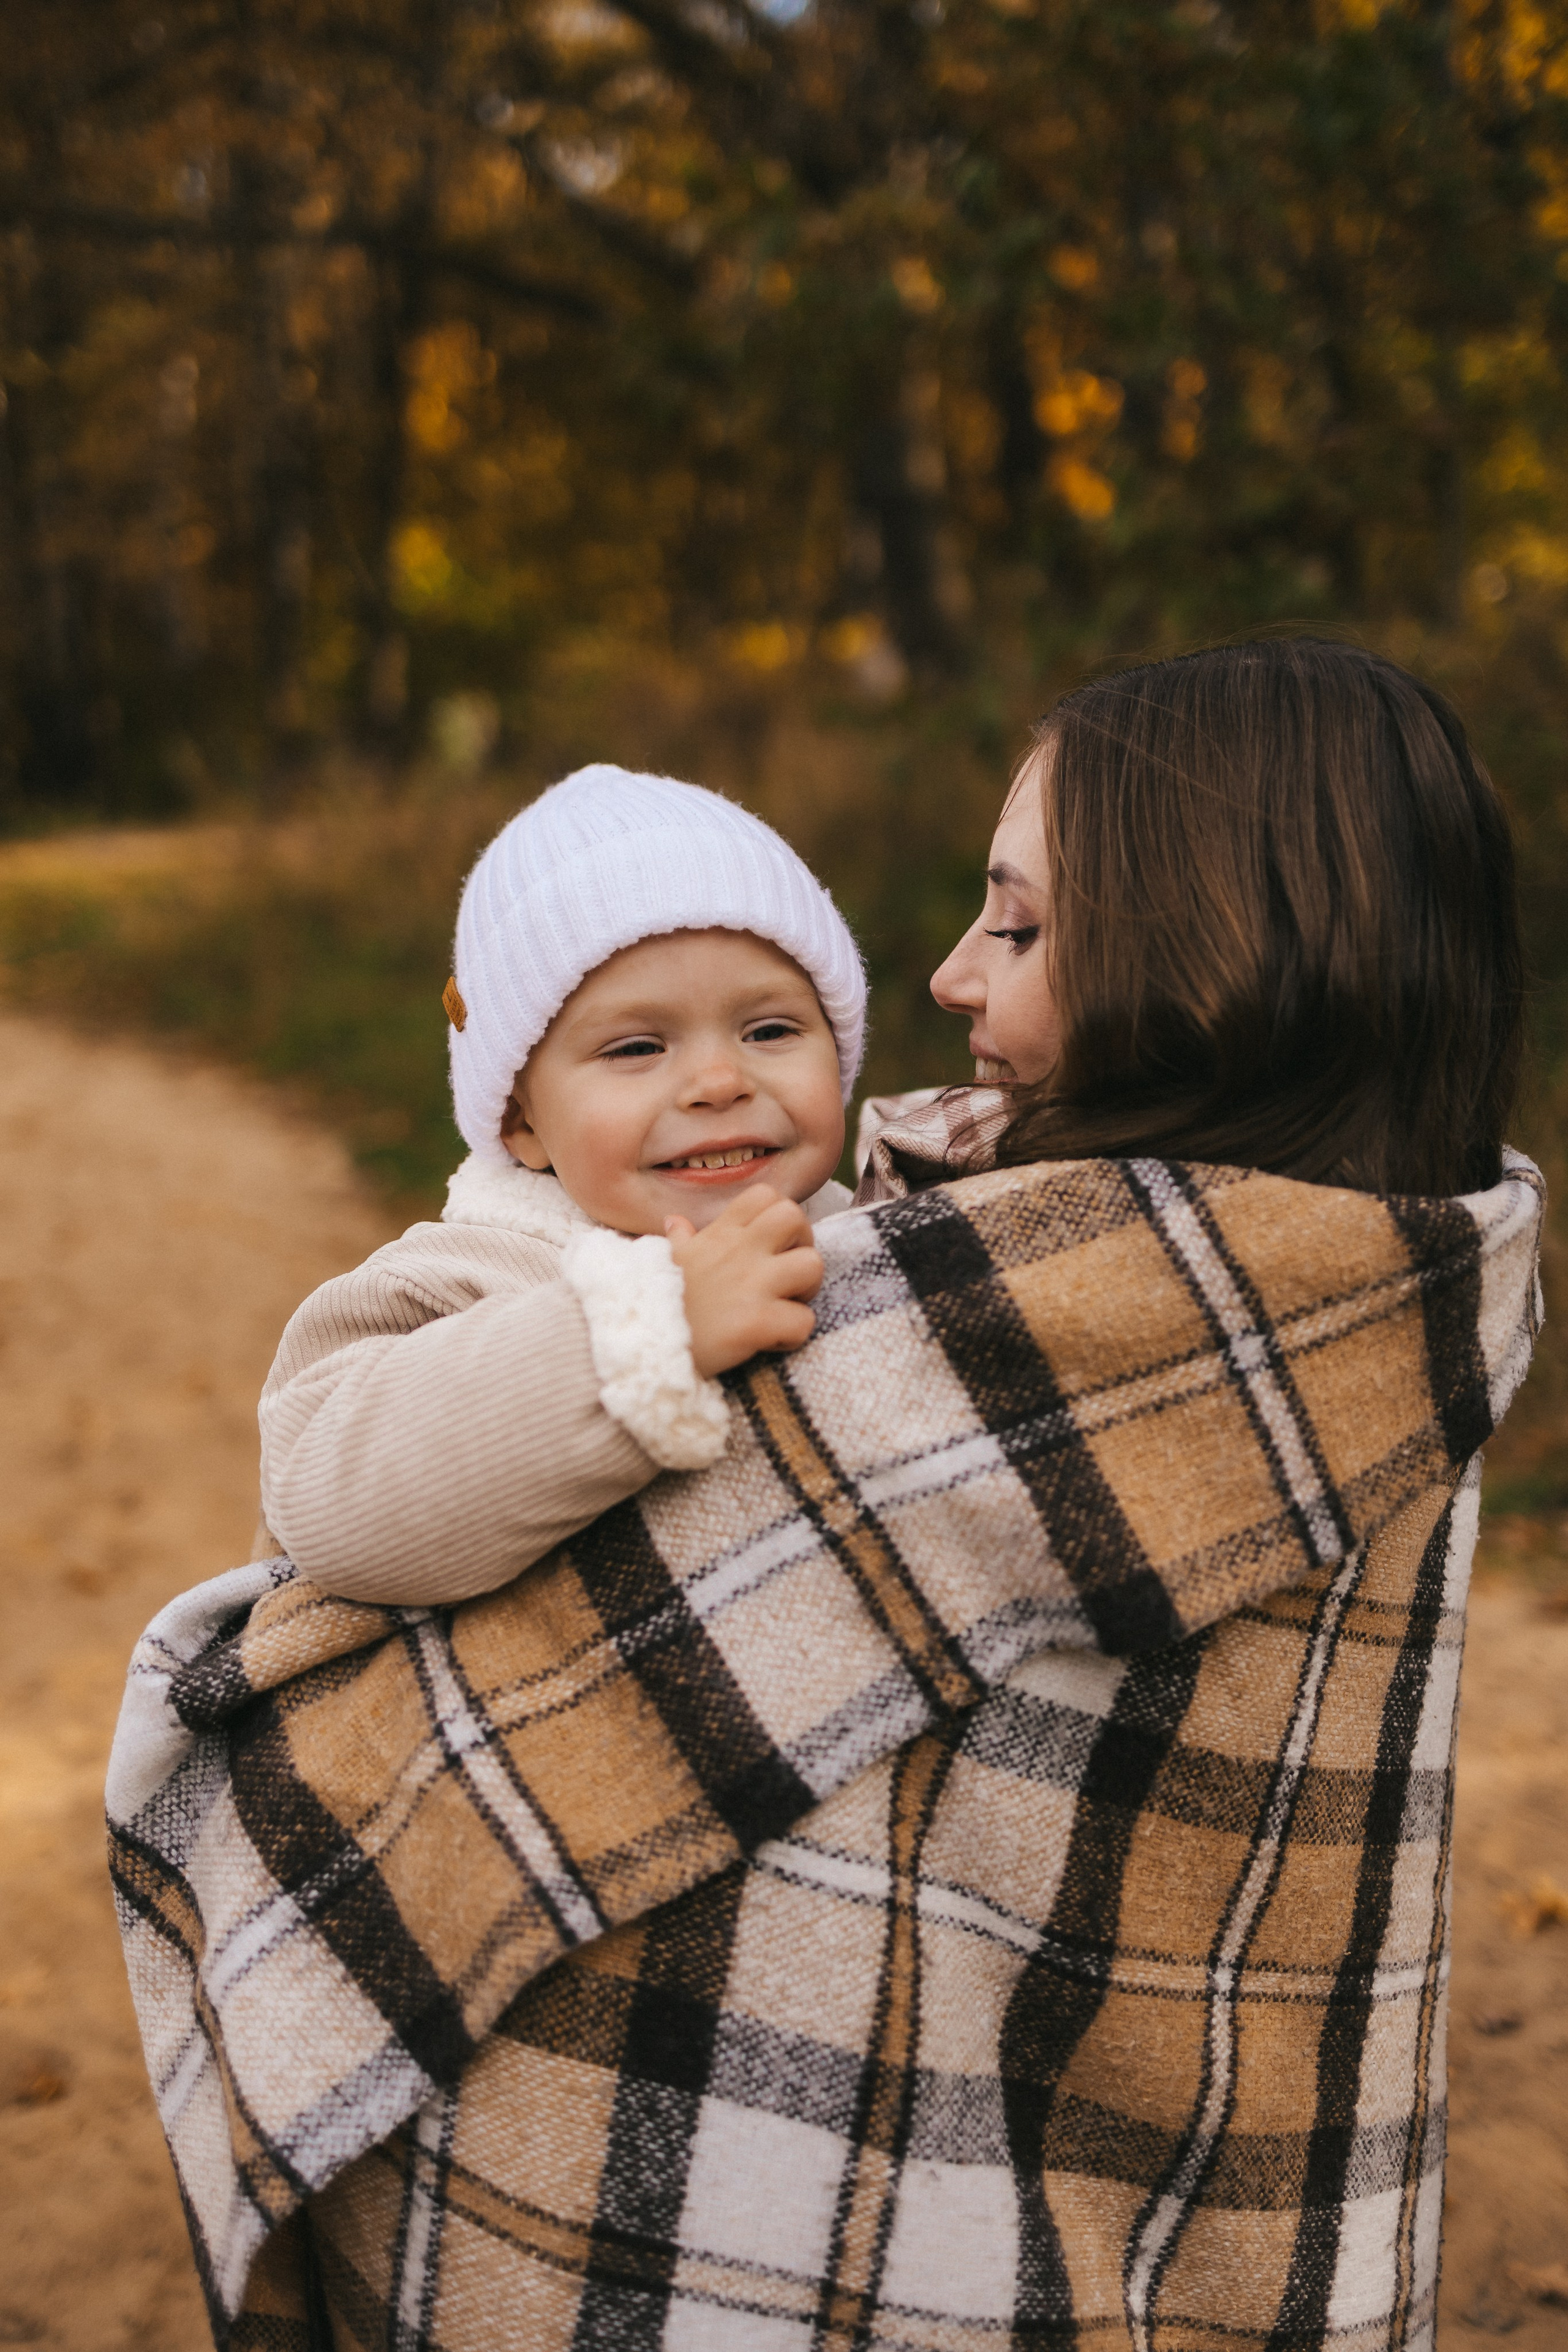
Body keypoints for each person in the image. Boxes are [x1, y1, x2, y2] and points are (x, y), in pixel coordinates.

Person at [111, 638, 1543, 2352]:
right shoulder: (1398, 1299)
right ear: (517, 1105)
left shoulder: (1002, 1298)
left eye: (1014, 927)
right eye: (633, 1046)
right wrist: (636, 1334)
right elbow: (343, 1483)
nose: (948, 973)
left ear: (1213, 962)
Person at [254, 762, 865, 1605]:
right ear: (521, 1122)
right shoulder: (459, 1279)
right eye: (636, 1048)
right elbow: (330, 1509)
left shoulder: (875, 1230)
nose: (720, 1080)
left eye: (769, 1029)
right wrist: (652, 1330)